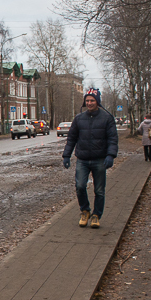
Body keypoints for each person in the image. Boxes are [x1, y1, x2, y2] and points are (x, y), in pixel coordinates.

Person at [62, 88, 118, 229]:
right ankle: (85, 211)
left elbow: (112, 139)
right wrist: (66, 155)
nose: (89, 103)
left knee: (99, 190)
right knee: (80, 186)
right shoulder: (79, 119)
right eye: (87, 100)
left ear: (97, 101)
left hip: (100, 160)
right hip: (83, 160)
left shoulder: (107, 118)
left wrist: (111, 155)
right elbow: (71, 138)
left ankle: (96, 215)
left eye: (92, 100)